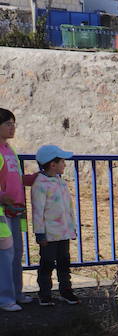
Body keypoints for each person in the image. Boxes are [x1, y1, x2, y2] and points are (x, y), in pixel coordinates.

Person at [29, 144, 80, 306]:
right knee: (47, 264)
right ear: (53, 164)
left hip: (63, 233)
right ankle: (45, 294)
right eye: (62, 162)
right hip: (49, 235)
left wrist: (71, 228)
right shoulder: (40, 184)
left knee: (64, 263)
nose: (65, 164)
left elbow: (68, 208)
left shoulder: (60, 181)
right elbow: (38, 212)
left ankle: (66, 291)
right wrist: (40, 234)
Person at [0, 107, 33, 310]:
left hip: (15, 210)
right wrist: (4, 199)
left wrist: (36, 178)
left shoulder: (10, 150)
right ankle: (5, 299)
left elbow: (17, 178)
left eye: (14, 123)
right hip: (3, 212)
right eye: (7, 124)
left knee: (16, 253)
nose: (13, 128)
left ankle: (16, 293)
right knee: (5, 255)